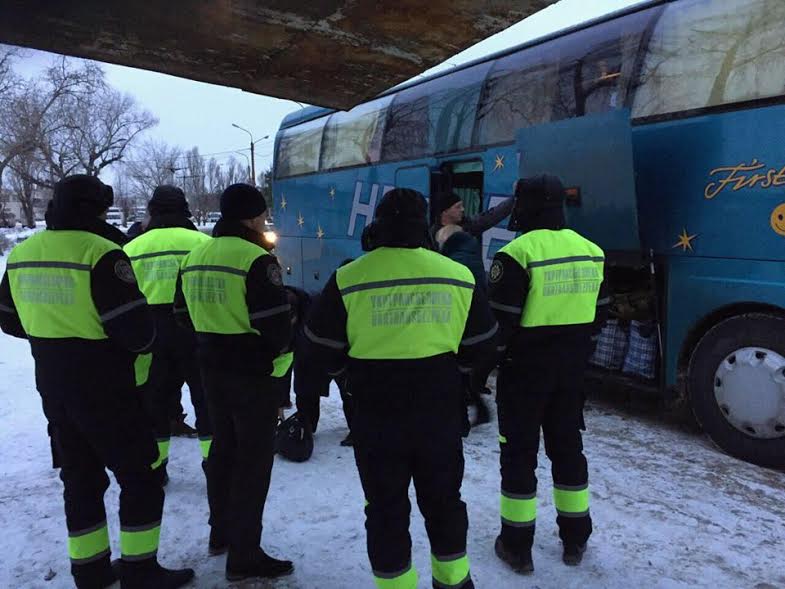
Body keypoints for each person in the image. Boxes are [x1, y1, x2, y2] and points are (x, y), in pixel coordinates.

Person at [0, 175, 194, 589]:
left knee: (80, 477)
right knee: (140, 475)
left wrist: (51, 329)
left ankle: (90, 570)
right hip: (105, 384)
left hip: (52, 383)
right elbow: (137, 334)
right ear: (96, 209)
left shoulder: (23, 253)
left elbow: (9, 319)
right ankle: (140, 570)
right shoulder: (101, 254)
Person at [305, 188, 497, 589]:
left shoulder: (349, 277)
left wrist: (352, 374)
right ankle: (454, 583)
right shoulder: (457, 276)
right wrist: (452, 372)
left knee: (386, 511)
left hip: (375, 417)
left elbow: (321, 349)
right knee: (444, 505)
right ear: (424, 223)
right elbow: (482, 347)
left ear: (378, 224)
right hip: (439, 413)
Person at [488, 175, 609, 573]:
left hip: (524, 374)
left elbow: (500, 328)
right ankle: (575, 540)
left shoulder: (516, 253)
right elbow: (600, 316)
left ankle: (516, 546)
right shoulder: (592, 250)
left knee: (519, 456)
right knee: (568, 450)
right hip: (572, 372)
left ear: (524, 207)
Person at [174, 183, 294, 582]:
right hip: (250, 375)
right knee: (253, 463)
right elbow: (276, 325)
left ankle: (221, 534)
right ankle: (245, 555)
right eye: (261, 213)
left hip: (211, 368)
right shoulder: (258, 259)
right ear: (252, 216)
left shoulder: (195, 255)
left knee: (223, 452)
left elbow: (180, 314)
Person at [124, 186, 212, 484]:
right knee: (206, 401)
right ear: (185, 209)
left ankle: (156, 468)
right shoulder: (203, 243)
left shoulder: (132, 247)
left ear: (152, 211)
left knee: (155, 405)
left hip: (151, 335)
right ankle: (215, 465)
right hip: (197, 330)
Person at [435, 224, 492, 428]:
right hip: (478, 323)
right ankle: (476, 411)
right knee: (465, 374)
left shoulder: (454, 262)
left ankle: (461, 421)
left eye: (440, 243)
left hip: (463, 322)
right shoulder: (470, 253)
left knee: (458, 375)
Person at [430, 190, 514, 242]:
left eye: (462, 206)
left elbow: (493, 215)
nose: (462, 209)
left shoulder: (469, 225)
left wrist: (515, 198)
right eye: (458, 207)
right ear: (445, 211)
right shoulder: (431, 236)